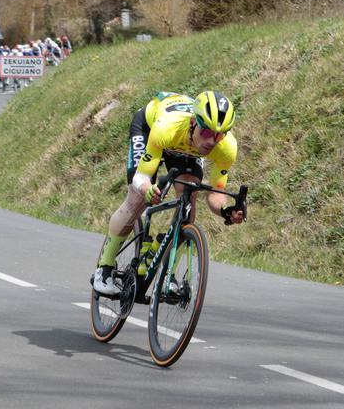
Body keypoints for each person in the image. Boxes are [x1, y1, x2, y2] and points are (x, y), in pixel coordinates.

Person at [92, 91, 245, 295]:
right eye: (207, 133)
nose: (212, 141)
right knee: (137, 200)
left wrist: (226, 211)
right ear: (193, 122)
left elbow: (216, 192)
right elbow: (141, 178)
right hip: (150, 128)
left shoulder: (226, 148)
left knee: (189, 197)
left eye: (219, 135)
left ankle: (169, 272)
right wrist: (148, 190)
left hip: (187, 149)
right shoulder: (166, 128)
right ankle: (105, 268)